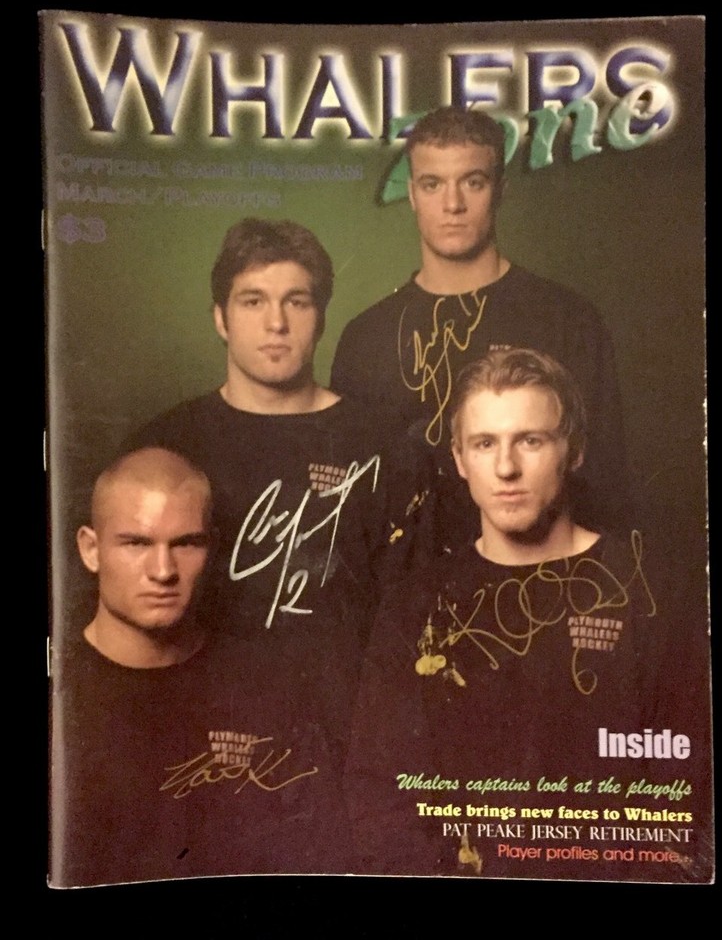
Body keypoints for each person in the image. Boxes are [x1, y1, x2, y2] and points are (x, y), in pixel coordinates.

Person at [344, 350, 666, 880]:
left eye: (530, 440)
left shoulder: (649, 593)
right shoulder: (413, 605)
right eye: (484, 443)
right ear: (459, 458)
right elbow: (380, 794)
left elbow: (684, 797)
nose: (506, 468)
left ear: (574, 450)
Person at [126, 219, 430, 762]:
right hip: (193, 740)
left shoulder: (385, 446)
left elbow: (413, 624)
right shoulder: (163, 446)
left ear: (321, 317)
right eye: (253, 301)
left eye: (296, 301)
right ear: (220, 318)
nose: (276, 323)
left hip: (345, 744)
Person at [50, 447, 351, 887]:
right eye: (136, 543)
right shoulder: (61, 690)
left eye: (186, 543)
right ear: (90, 549)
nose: (163, 571)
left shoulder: (268, 686)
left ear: (212, 547)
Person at [331, 106, 631, 544]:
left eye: (473, 182)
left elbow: (607, 492)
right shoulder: (365, 339)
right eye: (432, 184)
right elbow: (348, 511)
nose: (453, 205)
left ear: (500, 190)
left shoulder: (568, 319)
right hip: (407, 582)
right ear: (412, 194)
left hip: (540, 577)